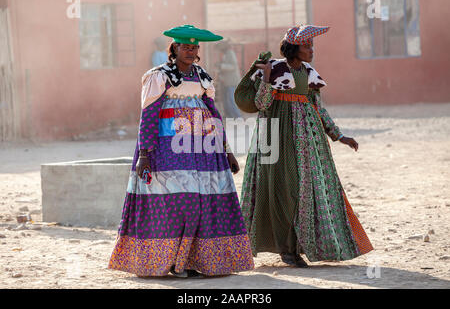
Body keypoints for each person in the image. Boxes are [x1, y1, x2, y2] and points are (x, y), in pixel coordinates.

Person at [108, 25, 254, 278]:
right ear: (174, 48)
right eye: (185, 46)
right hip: (168, 147)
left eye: (194, 47)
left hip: (203, 148)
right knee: (176, 203)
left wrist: (226, 149)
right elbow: (149, 114)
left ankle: (191, 261)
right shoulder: (158, 75)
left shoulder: (202, 76)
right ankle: (168, 261)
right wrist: (145, 152)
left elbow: (214, 113)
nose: (191, 51)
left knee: (203, 203)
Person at [239, 25, 373, 267]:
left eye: (312, 46)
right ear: (293, 47)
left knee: (303, 189)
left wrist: (338, 135)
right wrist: (267, 78)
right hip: (272, 135)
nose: (312, 50)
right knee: (279, 188)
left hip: (305, 140)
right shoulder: (275, 69)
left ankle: (297, 246)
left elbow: (318, 108)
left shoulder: (310, 72)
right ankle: (285, 249)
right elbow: (261, 103)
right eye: (307, 45)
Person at [215, 40, 242, 118]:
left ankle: (238, 117)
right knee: (228, 102)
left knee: (232, 101)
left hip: (232, 82)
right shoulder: (226, 54)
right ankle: (231, 117)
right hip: (227, 82)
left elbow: (233, 66)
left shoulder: (230, 53)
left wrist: (221, 66)